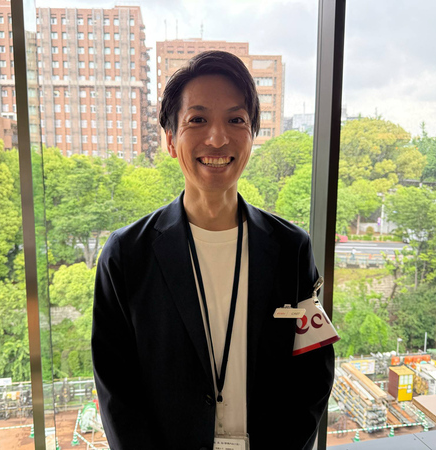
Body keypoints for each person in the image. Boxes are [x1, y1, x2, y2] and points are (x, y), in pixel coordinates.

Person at [91, 50, 335, 450]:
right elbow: (116, 389)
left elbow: (313, 372)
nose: (218, 138)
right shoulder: (126, 256)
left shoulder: (292, 249)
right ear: (171, 140)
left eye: (236, 120)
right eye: (198, 120)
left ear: (252, 136)